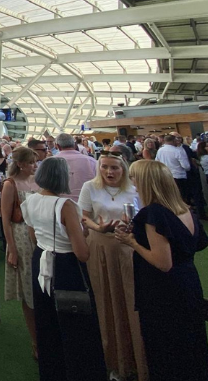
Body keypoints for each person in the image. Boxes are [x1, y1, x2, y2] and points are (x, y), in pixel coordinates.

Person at [115, 160, 208, 381]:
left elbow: (162, 263)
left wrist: (132, 242)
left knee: (164, 347)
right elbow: (200, 242)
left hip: (162, 290)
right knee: (191, 343)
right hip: (188, 281)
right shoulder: (184, 209)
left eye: (135, 179)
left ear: (146, 182)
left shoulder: (154, 213)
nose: (133, 184)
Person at [22, 157, 106, 381]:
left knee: (47, 320)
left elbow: (33, 236)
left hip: (41, 260)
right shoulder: (65, 206)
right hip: (65, 265)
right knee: (76, 323)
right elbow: (82, 253)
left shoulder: (30, 200)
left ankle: (52, 371)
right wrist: (85, 234)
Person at [78, 151, 148, 381]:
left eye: (114, 167)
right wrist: (98, 228)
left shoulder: (134, 188)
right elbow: (84, 216)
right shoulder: (90, 187)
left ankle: (140, 361)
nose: (109, 172)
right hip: (101, 248)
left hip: (129, 249)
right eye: (104, 166)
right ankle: (116, 362)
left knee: (132, 300)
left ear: (123, 169)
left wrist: (132, 228)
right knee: (106, 301)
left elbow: (144, 217)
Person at [0, 147, 39, 360]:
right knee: (27, 288)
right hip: (21, 237)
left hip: (39, 235)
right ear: (21, 164)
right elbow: (5, 219)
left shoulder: (37, 181)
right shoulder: (10, 184)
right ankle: (35, 340)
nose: (35, 166)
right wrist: (12, 249)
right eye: (31, 162)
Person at [56, 133, 97, 202]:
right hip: (88, 203)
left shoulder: (49, 163)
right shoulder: (92, 161)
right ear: (75, 145)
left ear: (58, 146)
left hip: (60, 204)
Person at [155, 135, 190, 201]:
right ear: (174, 140)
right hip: (178, 176)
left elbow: (157, 162)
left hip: (166, 176)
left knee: (171, 198)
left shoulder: (160, 150)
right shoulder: (178, 151)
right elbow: (186, 166)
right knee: (182, 197)